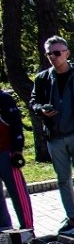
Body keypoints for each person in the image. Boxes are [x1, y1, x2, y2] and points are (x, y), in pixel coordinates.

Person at [30, 35, 74, 235]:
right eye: (49, 53)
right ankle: (72, 218)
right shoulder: (42, 78)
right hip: (55, 135)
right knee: (63, 179)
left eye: (57, 53)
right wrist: (40, 110)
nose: (53, 57)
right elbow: (33, 101)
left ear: (67, 53)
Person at [0, 90, 33, 229]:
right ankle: (4, 231)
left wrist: (18, 149)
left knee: (18, 193)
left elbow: (16, 125)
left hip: (6, 153)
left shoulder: (4, 99)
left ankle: (27, 229)